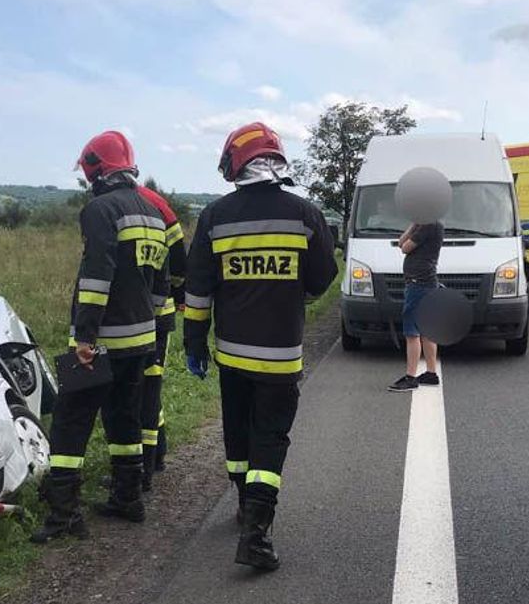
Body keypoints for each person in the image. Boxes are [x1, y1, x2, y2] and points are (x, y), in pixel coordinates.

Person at [183, 121, 338, 570]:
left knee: (237, 430)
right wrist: (295, 297)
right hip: (281, 355)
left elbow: (198, 289)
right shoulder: (305, 214)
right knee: (270, 438)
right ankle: (256, 531)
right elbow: (322, 277)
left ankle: (241, 504)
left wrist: (193, 341)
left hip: (231, 353)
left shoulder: (214, 217)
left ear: (236, 162)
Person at [31, 130, 169, 543]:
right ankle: (129, 498)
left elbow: (96, 277)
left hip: (104, 340)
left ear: (95, 169)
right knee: (124, 417)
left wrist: (85, 338)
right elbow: (160, 285)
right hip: (142, 339)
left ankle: (64, 515)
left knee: (70, 422)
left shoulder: (100, 210)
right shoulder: (152, 212)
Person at [136, 183, 187, 488]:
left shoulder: (110, 205)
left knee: (145, 389)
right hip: (160, 312)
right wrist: (176, 291)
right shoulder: (158, 204)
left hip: (140, 317)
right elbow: (180, 261)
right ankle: (157, 454)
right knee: (150, 385)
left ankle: (143, 466)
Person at [388, 221, 443, 392]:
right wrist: (413, 225)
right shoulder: (426, 224)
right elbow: (400, 242)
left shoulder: (429, 225)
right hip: (425, 283)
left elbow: (405, 247)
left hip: (419, 284)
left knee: (412, 332)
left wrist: (414, 225)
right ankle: (431, 373)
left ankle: (411, 377)